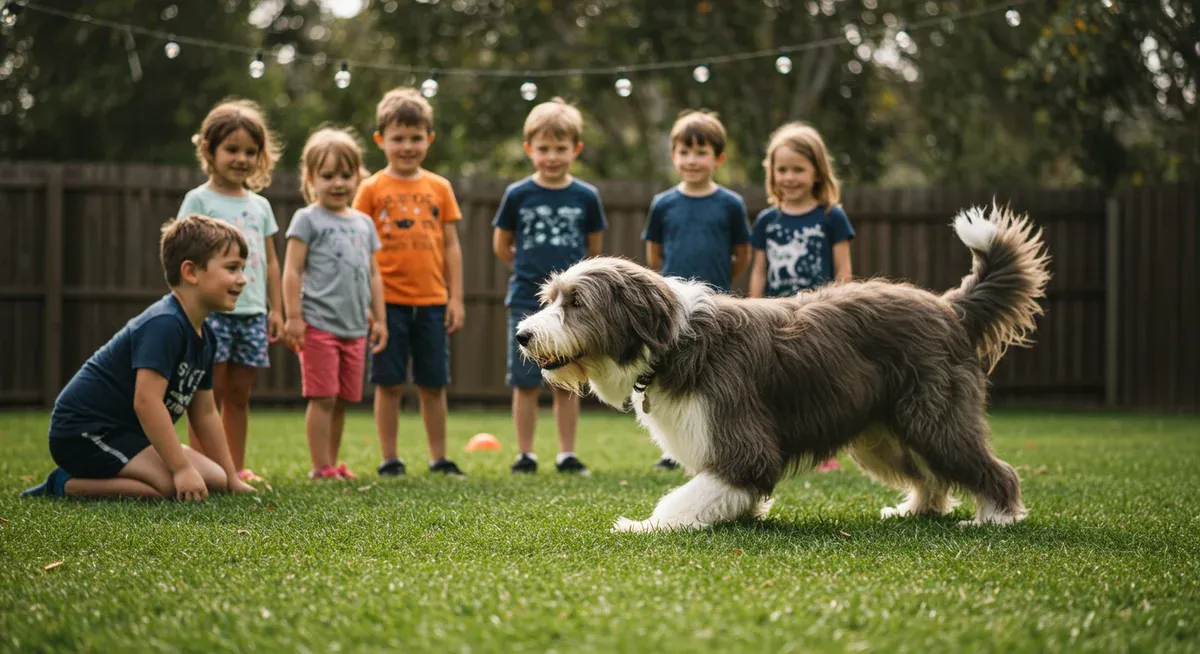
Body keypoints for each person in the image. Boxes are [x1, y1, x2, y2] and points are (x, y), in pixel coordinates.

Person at [21, 215, 258, 500]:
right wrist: (181, 469)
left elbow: (205, 413)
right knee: (168, 487)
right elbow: (146, 402)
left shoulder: (206, 336)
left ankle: (212, 476)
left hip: (131, 436)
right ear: (191, 272)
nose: (242, 280)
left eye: (242, 269)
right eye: (232, 268)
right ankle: (63, 483)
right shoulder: (164, 325)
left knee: (215, 479)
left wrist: (232, 478)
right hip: (87, 433)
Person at [354, 88, 467, 477]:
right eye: (398, 138)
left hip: (433, 302)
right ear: (380, 140)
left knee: (433, 383)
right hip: (388, 305)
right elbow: (359, 249)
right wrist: (369, 305)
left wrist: (456, 298)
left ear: (429, 139)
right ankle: (390, 459)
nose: (407, 146)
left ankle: (439, 458)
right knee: (388, 384)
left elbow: (451, 246)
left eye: (416, 138)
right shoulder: (370, 189)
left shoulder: (440, 188)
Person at [492, 97, 607, 476]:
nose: (552, 156)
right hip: (525, 300)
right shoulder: (518, 194)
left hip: (570, 311)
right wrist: (528, 275)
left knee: (565, 378)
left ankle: (566, 454)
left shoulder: (586, 196)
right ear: (529, 149)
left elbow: (593, 250)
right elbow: (501, 243)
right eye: (543, 148)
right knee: (525, 382)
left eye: (561, 148)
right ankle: (525, 454)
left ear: (576, 149)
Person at [177, 98, 284, 483]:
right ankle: (205, 468)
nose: (242, 159)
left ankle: (233, 469)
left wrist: (277, 309)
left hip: (252, 313)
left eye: (250, 152)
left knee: (240, 395)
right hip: (212, 315)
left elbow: (271, 261)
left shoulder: (260, 206)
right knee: (208, 394)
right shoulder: (199, 200)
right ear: (209, 149)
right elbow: (183, 259)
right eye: (232, 149)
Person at [642, 109, 751, 471]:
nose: (692, 160)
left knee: (715, 376)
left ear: (718, 158)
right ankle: (672, 449)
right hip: (673, 310)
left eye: (701, 152)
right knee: (670, 372)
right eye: (684, 152)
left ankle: (716, 436)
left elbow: (742, 255)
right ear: (674, 156)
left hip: (718, 309)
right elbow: (654, 256)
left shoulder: (730, 205)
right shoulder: (664, 204)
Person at [749, 122, 856, 473]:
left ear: (817, 173)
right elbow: (760, 270)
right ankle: (776, 443)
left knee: (819, 384)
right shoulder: (767, 221)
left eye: (798, 169)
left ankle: (824, 448)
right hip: (776, 320)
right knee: (777, 384)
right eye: (782, 170)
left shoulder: (830, 217)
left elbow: (844, 270)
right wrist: (753, 306)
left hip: (820, 318)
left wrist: (843, 308)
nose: (789, 177)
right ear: (772, 173)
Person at [282, 127, 388, 481]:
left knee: (343, 399)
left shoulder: (364, 223)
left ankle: (333, 462)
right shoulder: (307, 219)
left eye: (346, 175)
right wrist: (293, 317)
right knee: (323, 397)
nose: (338, 183)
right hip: (318, 324)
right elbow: (292, 271)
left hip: (355, 327)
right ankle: (320, 466)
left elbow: (373, 275)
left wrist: (380, 319)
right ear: (310, 178)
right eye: (328, 176)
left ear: (358, 177)